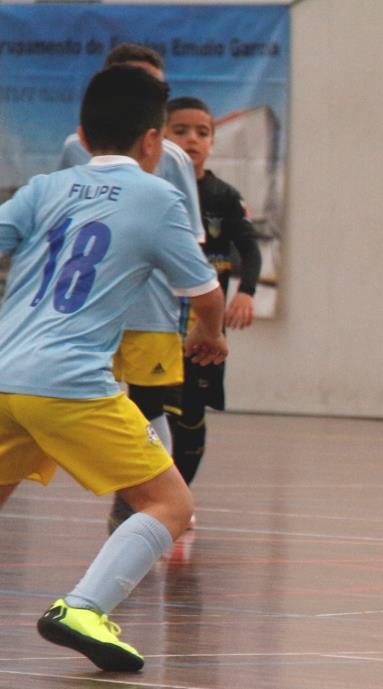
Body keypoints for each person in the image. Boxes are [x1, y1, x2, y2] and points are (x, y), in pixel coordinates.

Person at [0, 66, 226, 672]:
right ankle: (83, 607)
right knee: (170, 504)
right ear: (153, 141)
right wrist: (212, 336)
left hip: (3, 375)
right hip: (68, 383)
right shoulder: (157, 196)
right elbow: (204, 293)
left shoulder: (44, 187)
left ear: (85, 129)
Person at [57, 43, 206, 531]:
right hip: (90, 307)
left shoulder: (173, 160)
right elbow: (61, 225)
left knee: (147, 402)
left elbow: (191, 240)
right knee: (74, 399)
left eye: (157, 88)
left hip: (149, 306)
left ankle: (146, 501)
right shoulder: (75, 149)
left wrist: (205, 312)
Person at [162, 96, 262, 486]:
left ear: (213, 143)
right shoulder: (154, 190)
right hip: (159, 322)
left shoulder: (225, 197)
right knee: (157, 408)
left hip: (204, 326)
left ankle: (179, 497)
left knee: (191, 413)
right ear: (159, 137)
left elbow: (250, 250)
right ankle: (152, 498)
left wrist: (246, 291)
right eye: (181, 130)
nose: (192, 140)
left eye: (202, 133)